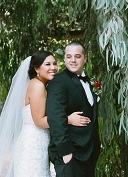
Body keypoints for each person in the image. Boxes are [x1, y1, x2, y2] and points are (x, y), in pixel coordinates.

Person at [0, 50, 91, 177]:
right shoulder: (37, 86)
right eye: (48, 64)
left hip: (39, 142)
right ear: (37, 69)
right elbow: (39, 121)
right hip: (33, 144)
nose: (53, 68)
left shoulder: (40, 85)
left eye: (55, 64)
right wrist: (68, 119)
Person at [46, 42, 100, 177]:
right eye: (69, 56)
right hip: (70, 152)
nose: (73, 60)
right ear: (64, 58)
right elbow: (55, 117)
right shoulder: (59, 82)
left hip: (89, 151)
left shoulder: (89, 81)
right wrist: (65, 152)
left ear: (85, 58)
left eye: (77, 56)